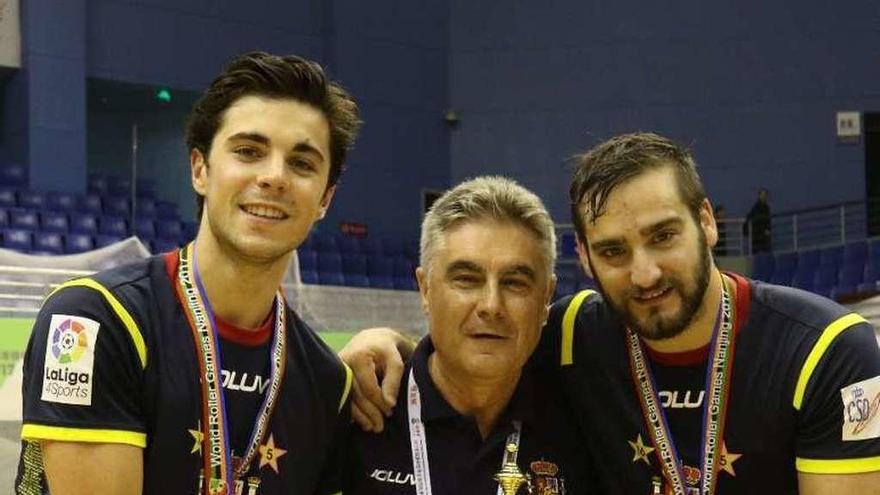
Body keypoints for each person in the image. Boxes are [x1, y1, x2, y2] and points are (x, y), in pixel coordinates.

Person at [344, 133, 880, 494]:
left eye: (663, 236)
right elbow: (478, 336)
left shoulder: (830, 351)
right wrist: (383, 343)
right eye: (614, 251)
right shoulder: (574, 332)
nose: (644, 274)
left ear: (708, 221)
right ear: (584, 257)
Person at [16, 51, 361, 495]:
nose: (275, 177)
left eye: (302, 163)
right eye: (248, 152)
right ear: (200, 169)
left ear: (325, 200)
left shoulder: (328, 382)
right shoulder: (92, 321)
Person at [343, 176, 590, 495]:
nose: (491, 306)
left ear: (546, 298)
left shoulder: (584, 421)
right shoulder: (358, 410)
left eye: (515, 283)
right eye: (466, 279)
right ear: (425, 289)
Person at [743, 188, 771, 254]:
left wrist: (768, 229)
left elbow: (767, 220)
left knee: (762, 252)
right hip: (758, 235)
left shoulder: (763, 207)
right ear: (759, 196)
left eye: (765, 195)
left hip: (760, 235)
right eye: (762, 195)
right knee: (759, 252)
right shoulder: (757, 208)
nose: (764, 197)